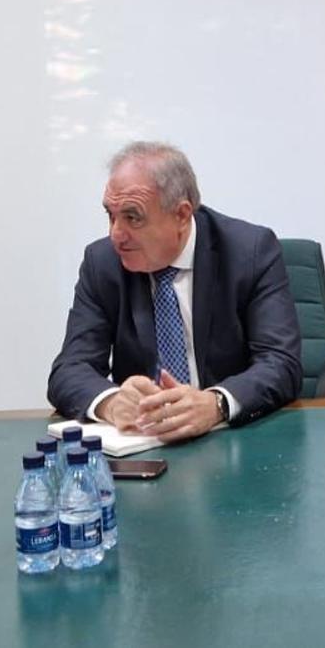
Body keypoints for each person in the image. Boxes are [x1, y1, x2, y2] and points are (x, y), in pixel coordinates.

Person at [47, 141, 302, 443]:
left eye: (132, 217)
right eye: (111, 215)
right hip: (144, 448)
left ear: (181, 215)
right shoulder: (102, 263)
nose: (115, 234)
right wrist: (111, 402)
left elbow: (281, 363)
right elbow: (70, 369)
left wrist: (216, 403)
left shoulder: (250, 252)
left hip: (234, 443)